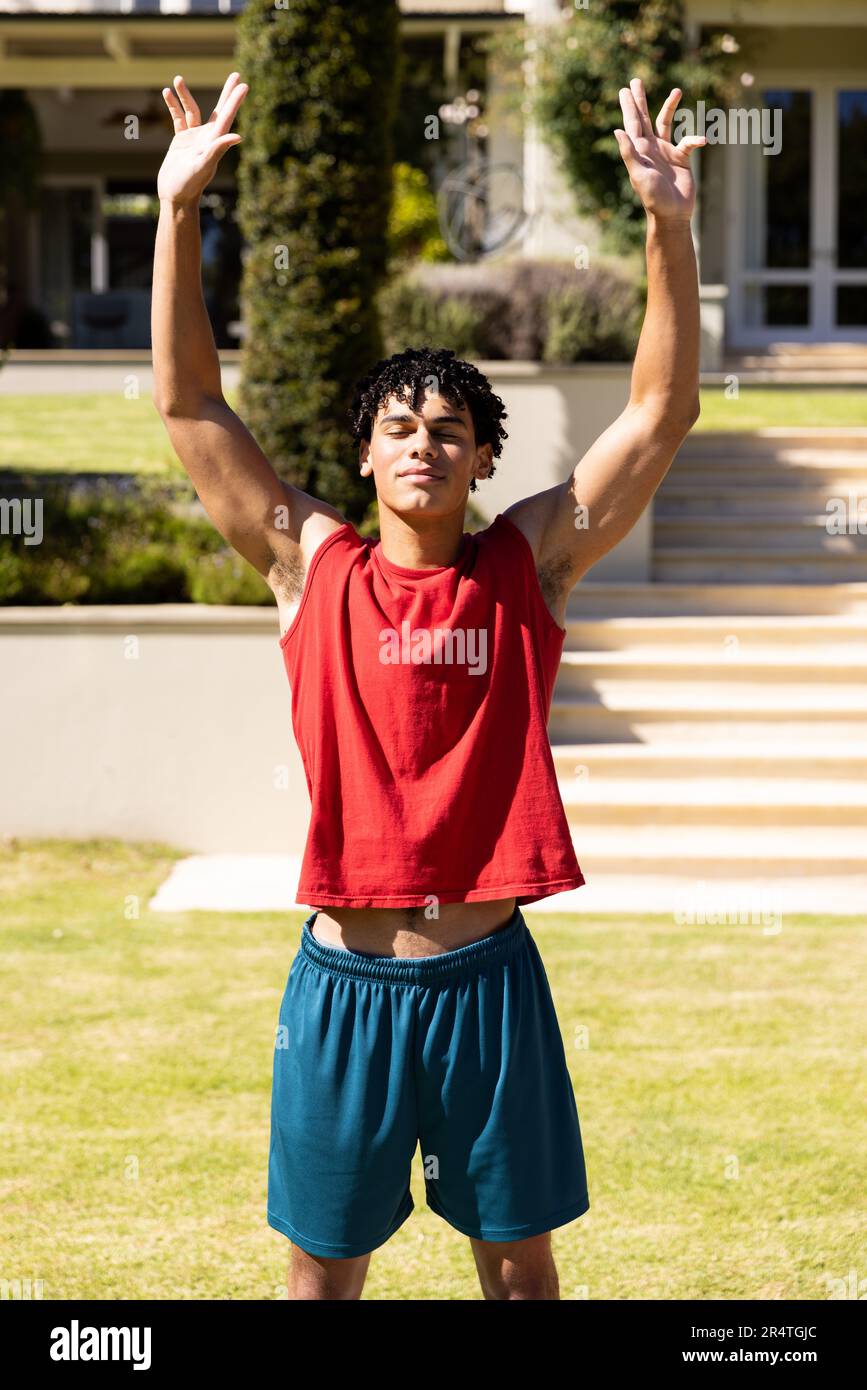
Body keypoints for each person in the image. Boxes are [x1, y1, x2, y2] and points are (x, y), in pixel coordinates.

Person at [152, 70, 702, 1301]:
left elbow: (661, 412)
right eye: (399, 424)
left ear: (483, 458)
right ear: (364, 454)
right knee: (323, 1278)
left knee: (517, 1276)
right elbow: (190, 406)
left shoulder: (528, 566)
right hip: (341, 989)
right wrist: (179, 214)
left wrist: (670, 225)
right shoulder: (313, 565)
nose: (422, 441)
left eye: (449, 427)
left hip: (487, 979)